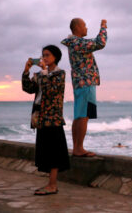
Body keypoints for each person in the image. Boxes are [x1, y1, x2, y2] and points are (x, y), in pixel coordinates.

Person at [22, 45, 70, 195]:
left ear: (55, 57)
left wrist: (43, 72)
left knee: (54, 153)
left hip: (53, 118)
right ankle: (51, 184)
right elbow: (28, 88)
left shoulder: (60, 74)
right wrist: (26, 70)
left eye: (47, 55)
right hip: (41, 117)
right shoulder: (40, 74)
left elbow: (50, 90)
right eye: (43, 55)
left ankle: (52, 185)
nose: (44, 58)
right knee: (46, 152)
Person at [61, 18, 107, 157]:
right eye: (85, 26)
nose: (86, 28)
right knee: (83, 116)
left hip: (81, 83)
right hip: (85, 82)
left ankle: (77, 147)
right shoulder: (77, 42)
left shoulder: (74, 43)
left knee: (80, 115)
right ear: (77, 28)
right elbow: (100, 43)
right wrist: (103, 27)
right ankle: (78, 148)